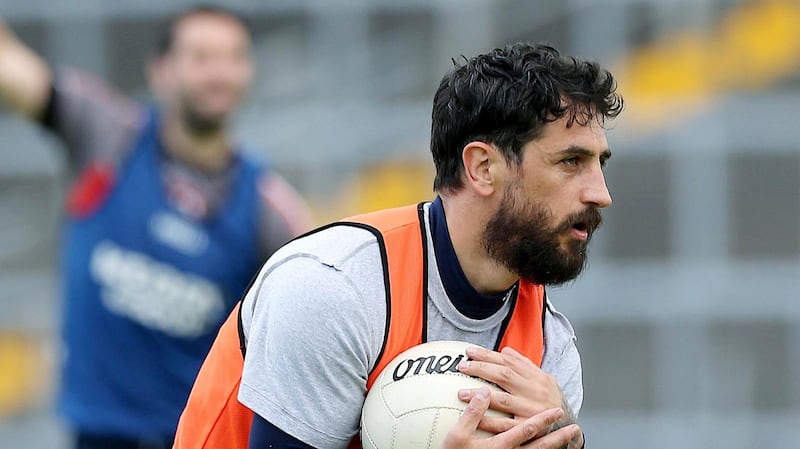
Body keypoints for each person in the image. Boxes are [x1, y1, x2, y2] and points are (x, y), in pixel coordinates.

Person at [174, 42, 623, 449]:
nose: (600, 193)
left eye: (598, 163)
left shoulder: (550, 350)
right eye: (571, 161)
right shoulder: (334, 288)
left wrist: (563, 440)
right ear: (483, 167)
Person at [0, 6, 313, 449]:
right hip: (94, 435)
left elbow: (316, 324)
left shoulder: (269, 210)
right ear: (160, 70)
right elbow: (11, 69)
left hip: (193, 438)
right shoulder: (107, 134)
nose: (218, 73)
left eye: (233, 57)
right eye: (201, 57)